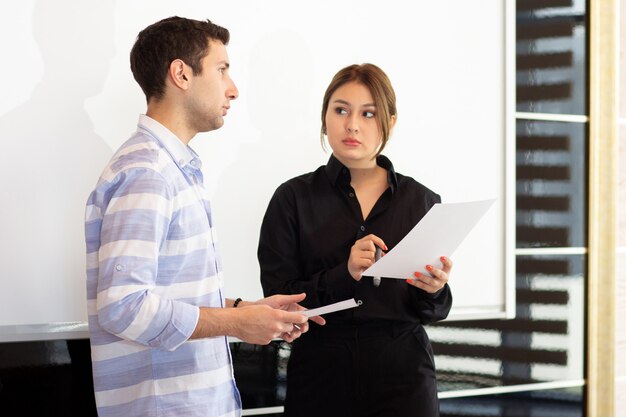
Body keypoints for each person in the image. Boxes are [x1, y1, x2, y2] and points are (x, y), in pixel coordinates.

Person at [85, 16, 323, 417]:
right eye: (222, 69)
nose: (233, 89)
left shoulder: (170, 168)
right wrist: (236, 324)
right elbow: (124, 306)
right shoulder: (148, 172)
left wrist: (247, 310)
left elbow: (169, 296)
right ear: (181, 74)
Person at [258, 63, 453, 417]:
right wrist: (344, 273)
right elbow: (278, 299)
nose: (352, 124)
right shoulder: (292, 198)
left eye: (368, 113)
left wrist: (434, 289)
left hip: (403, 377)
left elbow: (434, 310)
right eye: (341, 110)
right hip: (320, 375)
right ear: (325, 117)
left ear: (390, 122)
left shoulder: (422, 201)